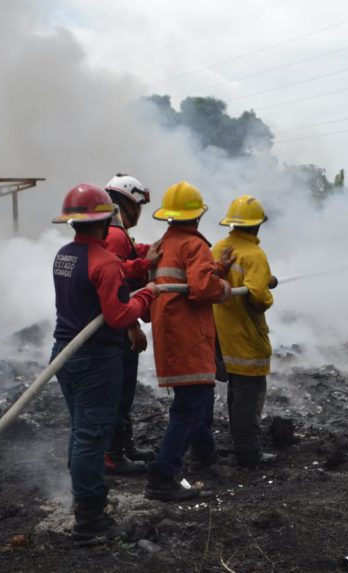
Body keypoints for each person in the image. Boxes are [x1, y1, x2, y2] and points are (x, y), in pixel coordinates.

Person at [50, 183, 157, 545]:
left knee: (80, 431)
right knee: (92, 436)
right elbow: (118, 316)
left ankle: (84, 500)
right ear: (104, 219)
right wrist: (146, 295)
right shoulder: (106, 263)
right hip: (96, 358)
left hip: (65, 353)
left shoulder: (64, 255)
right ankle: (90, 521)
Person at [145, 181, 232, 502]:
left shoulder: (161, 245)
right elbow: (202, 288)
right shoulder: (195, 245)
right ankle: (162, 474)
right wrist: (224, 287)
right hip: (189, 336)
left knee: (197, 400)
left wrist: (216, 267)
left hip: (169, 335)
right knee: (189, 407)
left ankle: (205, 458)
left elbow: (185, 276)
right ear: (197, 216)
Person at [101, 173, 161, 476]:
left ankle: (123, 447)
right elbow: (115, 280)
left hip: (118, 325)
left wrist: (146, 251)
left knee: (124, 391)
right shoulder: (114, 235)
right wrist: (131, 325)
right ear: (126, 202)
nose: (139, 212)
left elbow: (125, 258)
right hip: (118, 328)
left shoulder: (116, 232)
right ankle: (113, 455)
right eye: (138, 205)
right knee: (119, 392)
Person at [212, 195, 278, 468]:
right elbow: (258, 297)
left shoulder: (218, 248)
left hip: (223, 336)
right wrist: (266, 290)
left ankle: (239, 445)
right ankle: (248, 453)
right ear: (257, 225)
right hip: (248, 336)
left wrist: (264, 279)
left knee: (236, 391)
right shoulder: (255, 255)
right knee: (250, 394)